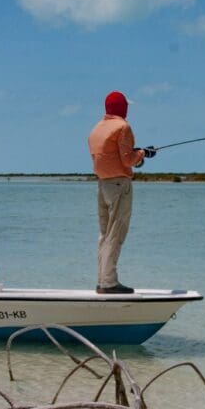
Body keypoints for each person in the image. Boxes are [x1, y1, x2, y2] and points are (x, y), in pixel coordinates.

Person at [87, 90, 154, 294]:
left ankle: (102, 279)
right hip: (119, 186)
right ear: (122, 107)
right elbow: (127, 160)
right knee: (116, 232)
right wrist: (143, 154)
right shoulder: (122, 127)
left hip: (102, 185)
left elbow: (114, 155)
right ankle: (108, 283)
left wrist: (136, 154)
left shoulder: (97, 128)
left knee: (105, 234)